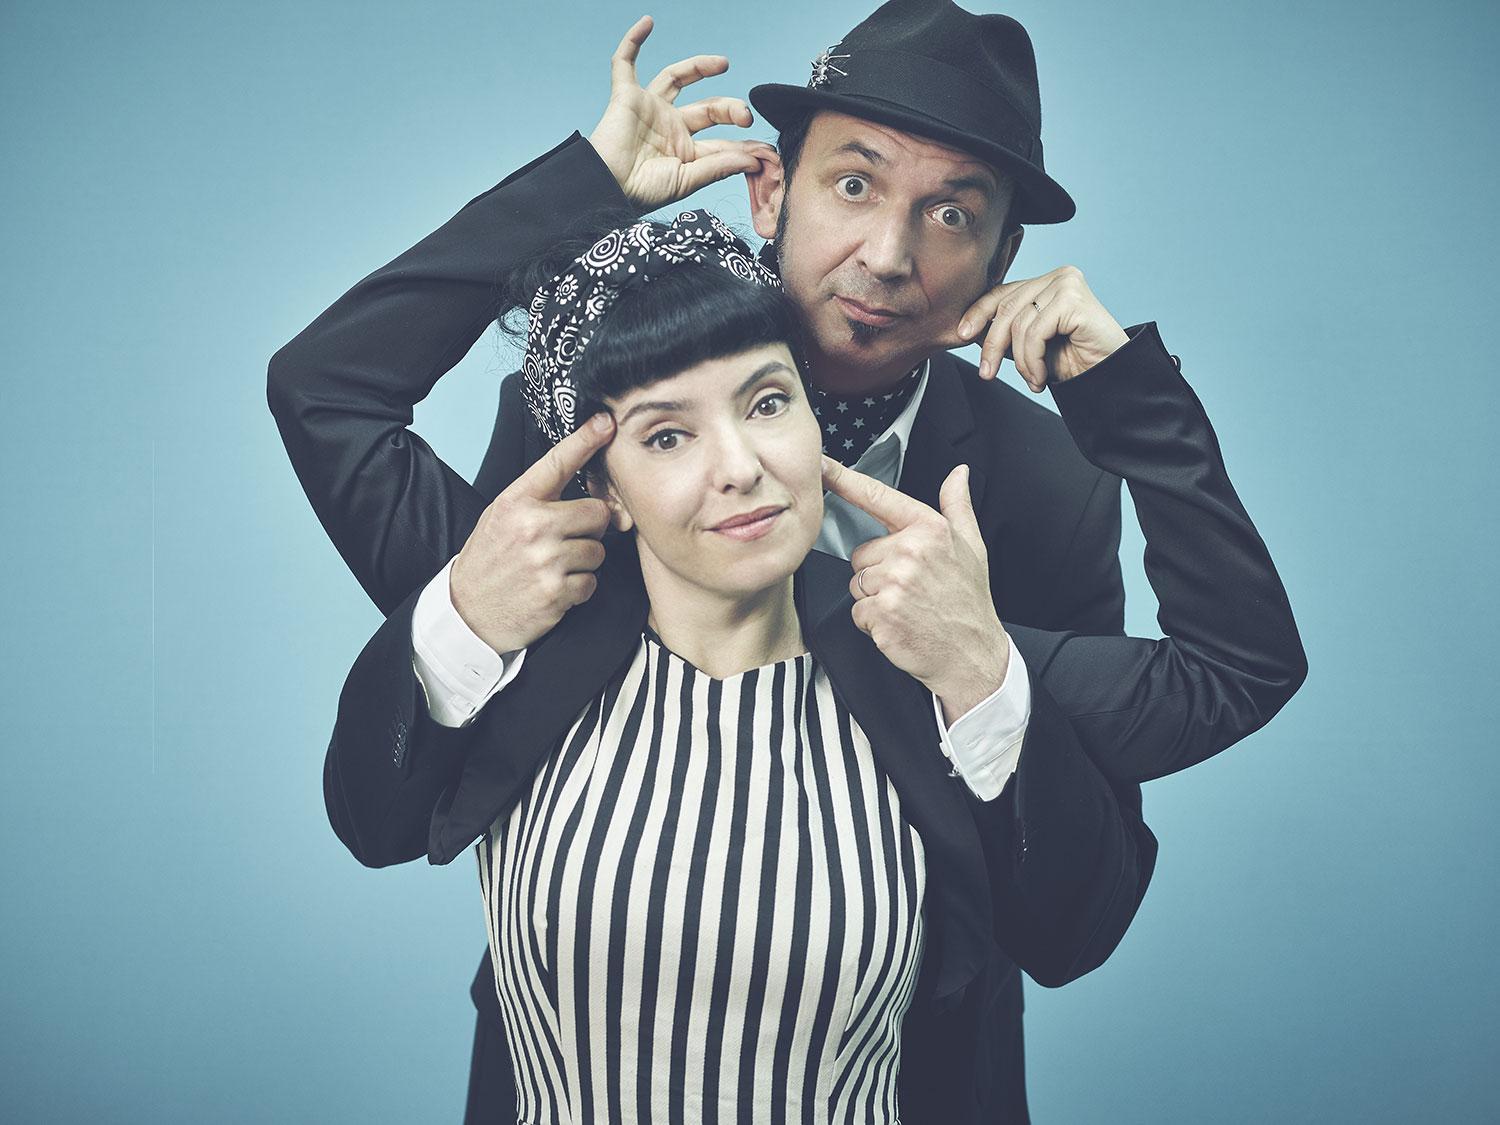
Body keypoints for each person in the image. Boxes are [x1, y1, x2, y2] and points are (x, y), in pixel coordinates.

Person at [267, 2, 1305, 1118]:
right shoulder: (582, 419)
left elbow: (1077, 910)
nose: (888, 256)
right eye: (854, 184)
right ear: (769, 192)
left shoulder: (1047, 483)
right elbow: (328, 401)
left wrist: (1114, 417)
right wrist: (464, 607)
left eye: (951, 213)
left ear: (1002, 261)